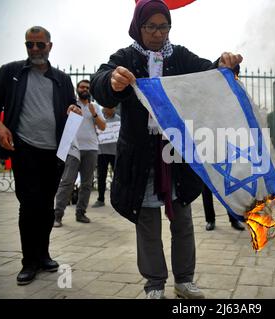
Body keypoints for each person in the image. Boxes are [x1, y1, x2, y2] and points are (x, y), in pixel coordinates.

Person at [90, 0, 242, 299]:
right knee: (147, 221)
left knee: (182, 218)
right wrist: (111, 80)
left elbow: (209, 75)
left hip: (177, 152)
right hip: (140, 156)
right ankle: (154, 284)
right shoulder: (125, 57)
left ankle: (184, 280)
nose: (158, 34)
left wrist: (225, 64)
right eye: (150, 27)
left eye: (163, 26)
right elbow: (99, 83)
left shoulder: (181, 57)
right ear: (138, 27)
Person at [0, 26, 76, 285]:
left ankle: (43, 254)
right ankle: (28, 262)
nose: (35, 50)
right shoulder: (11, 72)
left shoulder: (62, 79)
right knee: (29, 205)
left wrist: (73, 109)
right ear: (26, 46)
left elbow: (70, 107)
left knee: (46, 205)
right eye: (30, 45)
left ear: (50, 46)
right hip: (24, 148)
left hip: (54, 152)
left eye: (40, 45)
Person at [53, 80, 106, 227]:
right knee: (67, 181)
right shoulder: (71, 106)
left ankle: (81, 212)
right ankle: (57, 215)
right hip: (73, 148)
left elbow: (103, 127)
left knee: (87, 183)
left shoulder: (94, 107)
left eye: (87, 88)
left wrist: (94, 114)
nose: (85, 89)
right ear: (77, 89)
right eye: (82, 87)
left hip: (91, 148)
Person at [91, 106, 120, 208]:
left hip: (114, 152)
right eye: (108, 107)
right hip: (101, 152)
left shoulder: (119, 119)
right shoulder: (99, 119)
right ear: (103, 108)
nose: (110, 109)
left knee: (117, 176)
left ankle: (118, 198)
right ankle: (100, 199)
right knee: (101, 176)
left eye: (112, 107)